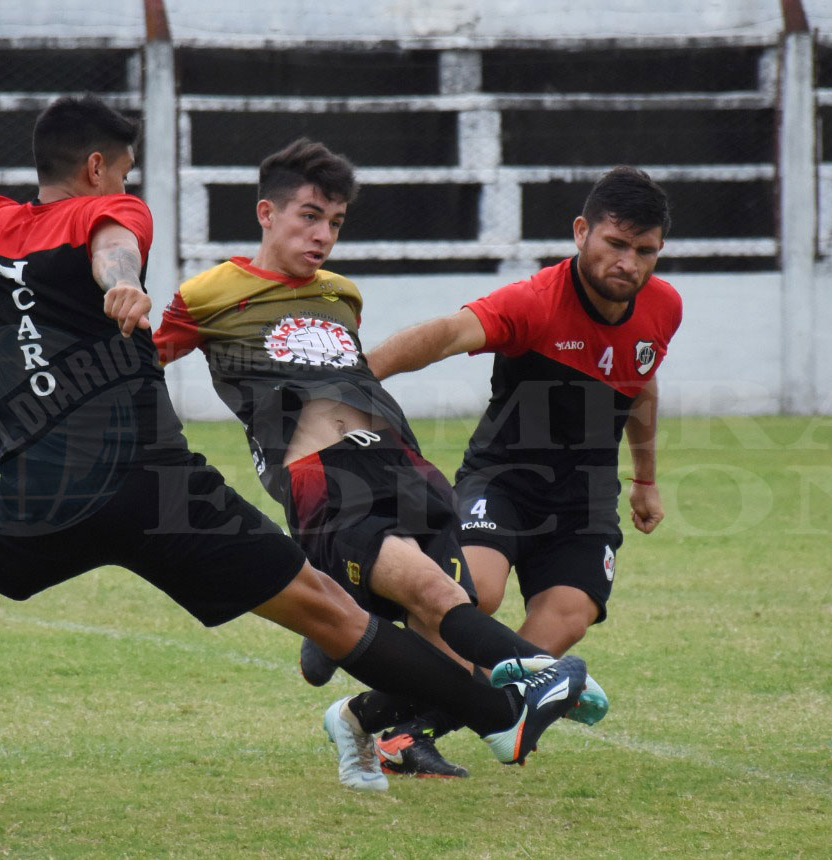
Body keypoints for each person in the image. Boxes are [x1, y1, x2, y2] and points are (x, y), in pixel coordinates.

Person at [0, 99, 587, 827]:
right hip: (159, 487)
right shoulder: (113, 211)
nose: (127, 188)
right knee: (329, 612)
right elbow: (113, 248)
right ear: (96, 168)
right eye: (123, 172)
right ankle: (497, 716)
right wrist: (123, 286)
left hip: (42, 489)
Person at [153, 139, 603, 782]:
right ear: (266, 213)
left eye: (335, 222)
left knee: (452, 626)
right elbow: (142, 368)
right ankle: (530, 682)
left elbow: (349, 381)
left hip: (401, 460)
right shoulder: (208, 294)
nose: (323, 235)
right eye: (310, 216)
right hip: (320, 473)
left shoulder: (342, 294)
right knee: (433, 591)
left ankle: (357, 709)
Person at [365, 165, 680, 739]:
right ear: (581, 232)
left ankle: (407, 730)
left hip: (584, 498)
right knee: (473, 595)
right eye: (615, 243)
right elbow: (448, 334)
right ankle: (368, 605)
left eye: (645, 251)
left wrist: (645, 480)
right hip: (503, 479)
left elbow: (642, 384)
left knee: (568, 616)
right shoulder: (534, 302)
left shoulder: (664, 307)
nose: (629, 263)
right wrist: (356, 378)